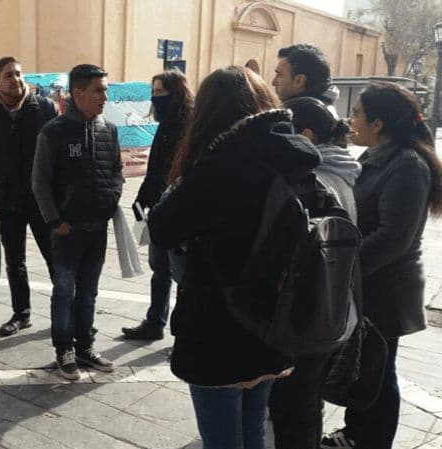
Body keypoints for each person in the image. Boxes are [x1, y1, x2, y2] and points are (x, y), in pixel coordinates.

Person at [148, 66, 314, 449]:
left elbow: (162, 227)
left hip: (219, 327)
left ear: (208, 113)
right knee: (253, 429)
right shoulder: (295, 156)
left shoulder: (219, 166)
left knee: (222, 439)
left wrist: (182, 181)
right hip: (276, 321)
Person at [321, 83, 442, 449]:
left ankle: (371, 440)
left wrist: (345, 267)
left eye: (356, 113)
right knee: (367, 361)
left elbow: (395, 236)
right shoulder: (377, 156)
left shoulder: (406, 164)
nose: (350, 119)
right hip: (369, 280)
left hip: (388, 285)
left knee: (380, 366)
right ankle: (356, 431)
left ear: (378, 123)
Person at [268, 96, 360, 449]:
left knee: (294, 407)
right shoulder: (345, 172)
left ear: (304, 134)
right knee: (306, 403)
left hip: (308, 311)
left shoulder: (313, 179)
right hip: (335, 310)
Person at [33, 64, 123, 380]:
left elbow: (116, 172)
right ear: (78, 93)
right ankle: (64, 350)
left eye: (106, 90)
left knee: (88, 292)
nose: (104, 96)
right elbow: (40, 181)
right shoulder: (53, 132)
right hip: (66, 231)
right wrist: (54, 220)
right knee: (64, 290)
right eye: (99, 90)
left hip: (97, 229)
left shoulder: (108, 130)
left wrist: (112, 199)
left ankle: (85, 347)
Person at [0, 56, 59, 336]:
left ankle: (64, 310)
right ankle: (21, 314)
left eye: (19, 73)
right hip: (7, 200)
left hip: (43, 200)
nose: (15, 79)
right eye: (8, 75)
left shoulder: (44, 108)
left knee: (55, 257)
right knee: (15, 261)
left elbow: (58, 154)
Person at [122, 69, 193, 340]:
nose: (155, 98)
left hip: (179, 209)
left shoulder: (188, 123)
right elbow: (156, 170)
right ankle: (155, 322)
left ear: (175, 92)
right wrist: (142, 200)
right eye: (153, 92)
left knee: (181, 274)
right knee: (159, 267)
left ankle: (183, 330)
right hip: (160, 207)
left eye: (160, 92)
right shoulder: (166, 122)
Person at [272, 44, 339, 116]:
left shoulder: (303, 118)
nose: (273, 82)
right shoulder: (323, 113)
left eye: (279, 75)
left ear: (299, 81)